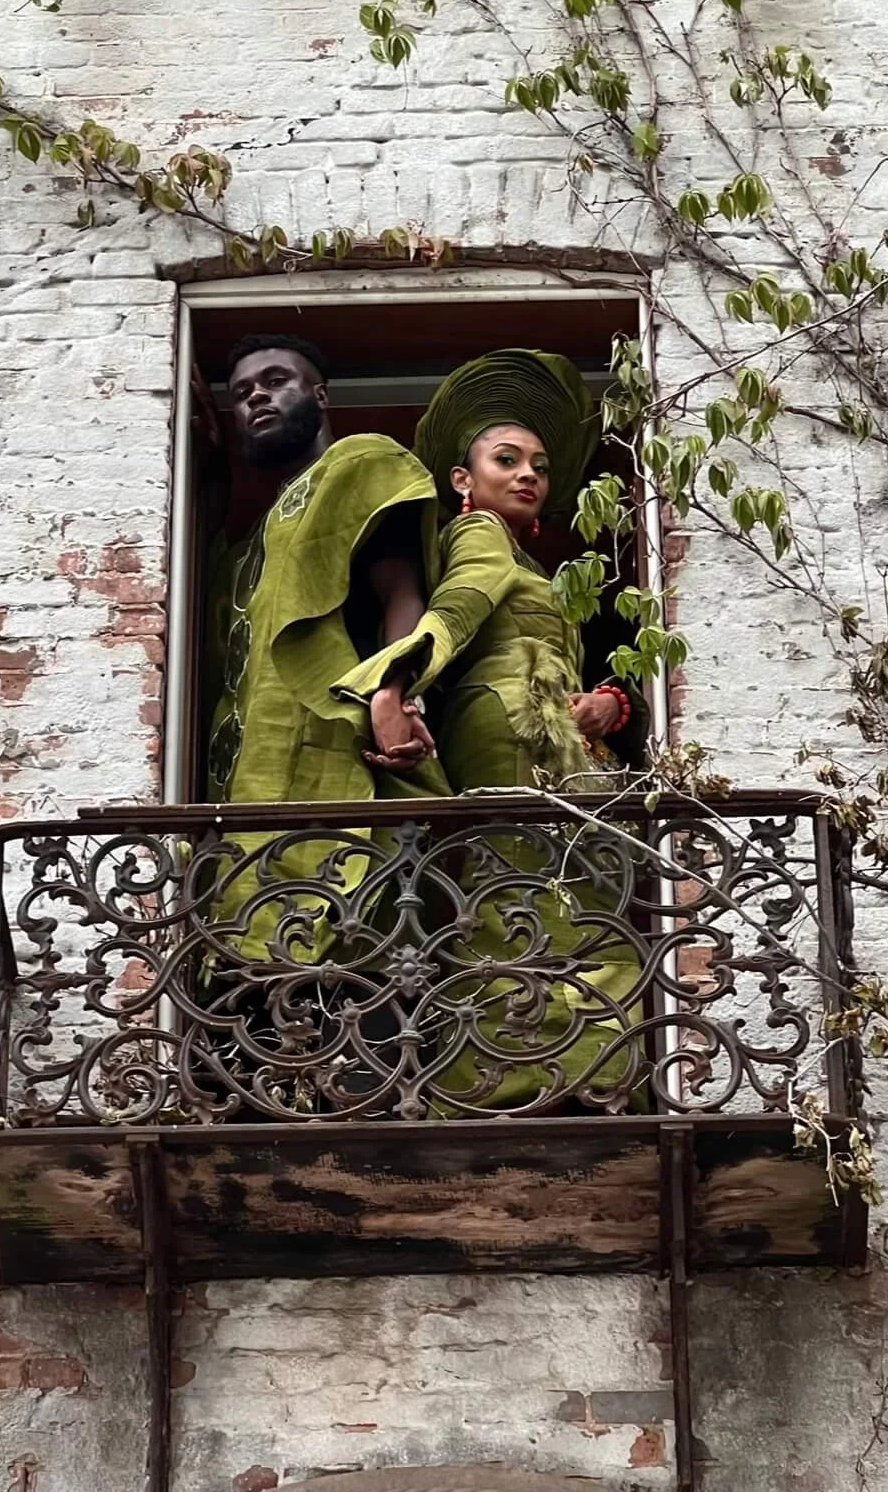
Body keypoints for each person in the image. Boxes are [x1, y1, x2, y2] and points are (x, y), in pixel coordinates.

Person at [332, 348, 641, 1108]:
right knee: (533, 900)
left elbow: (570, 661)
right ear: (463, 480)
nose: (529, 474)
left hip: (544, 728)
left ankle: (555, 1069)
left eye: (538, 463)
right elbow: (460, 608)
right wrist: (391, 683)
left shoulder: (537, 563)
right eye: (506, 459)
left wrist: (611, 702)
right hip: (512, 728)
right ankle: (538, 1079)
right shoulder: (479, 539)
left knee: (543, 898)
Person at [203, 334, 449, 964]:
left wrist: (396, 690)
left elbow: (400, 585)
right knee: (257, 964)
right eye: (241, 393)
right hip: (246, 775)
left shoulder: (360, 465)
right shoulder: (245, 546)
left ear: (319, 394)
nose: (256, 395)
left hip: (339, 748)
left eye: (276, 380)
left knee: (354, 947)